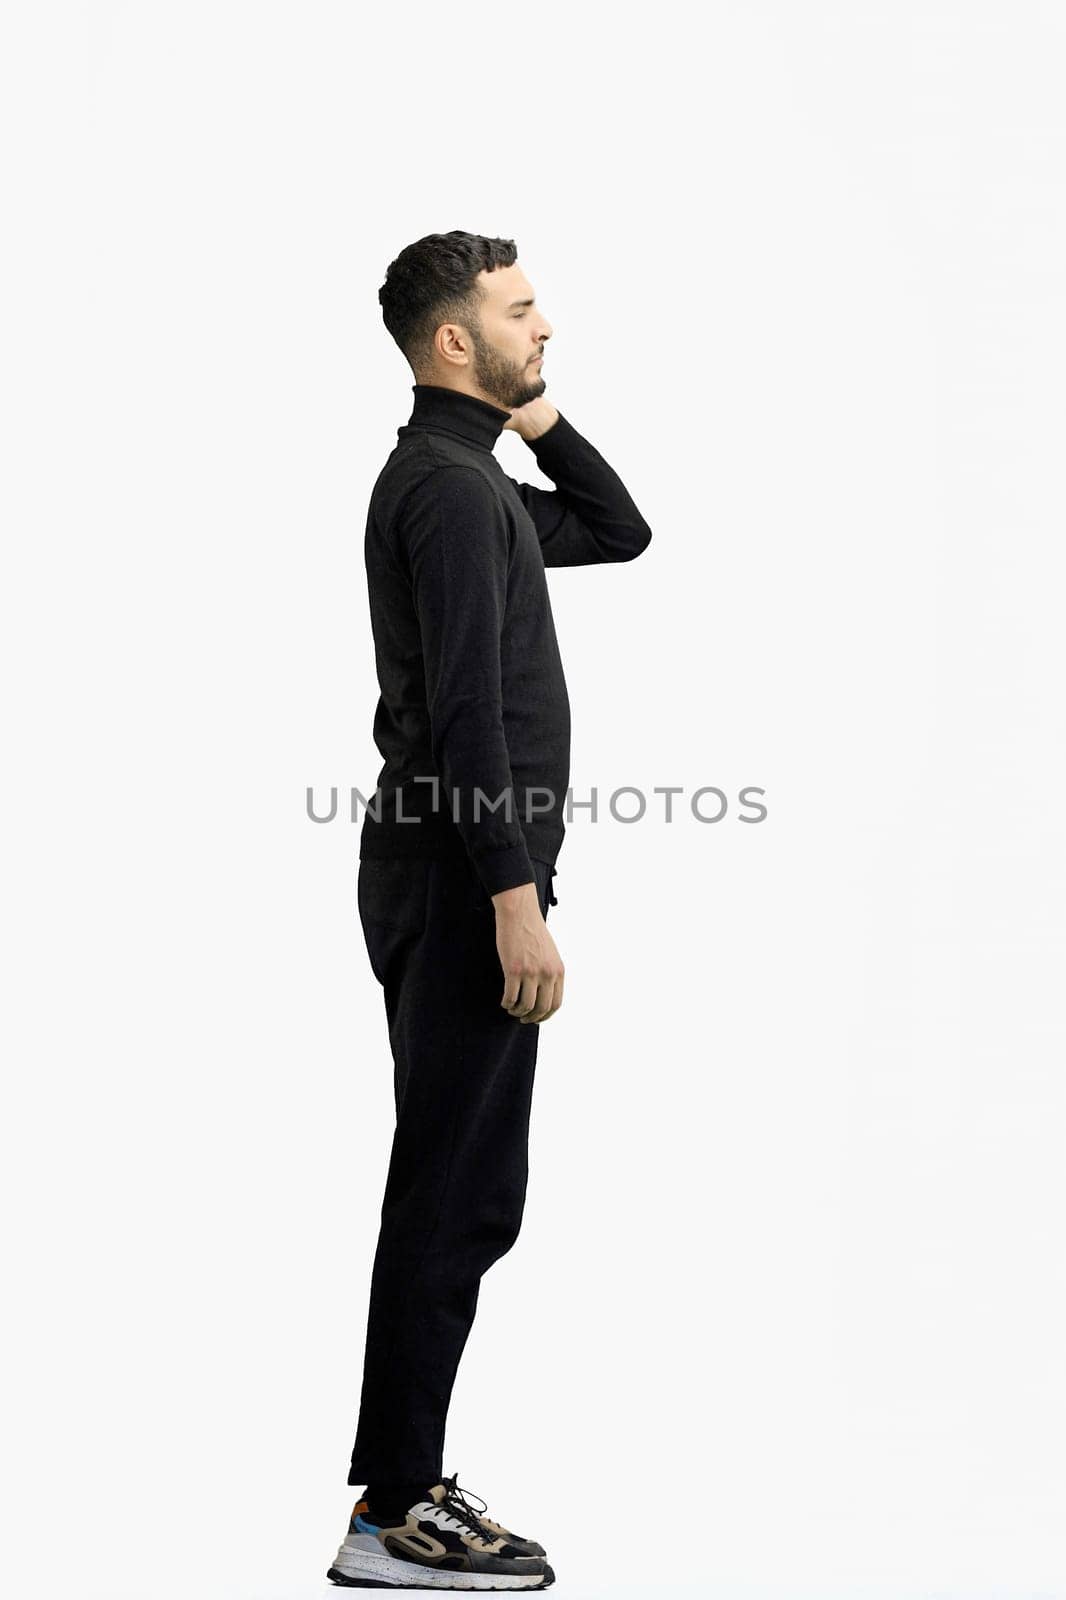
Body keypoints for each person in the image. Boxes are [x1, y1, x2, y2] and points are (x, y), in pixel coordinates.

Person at [327, 230, 652, 1591]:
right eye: (521, 313)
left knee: (466, 1189)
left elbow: (619, 531)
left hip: (448, 874)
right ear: (452, 337)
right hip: (464, 882)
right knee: (453, 1194)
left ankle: (397, 1497)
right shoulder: (454, 497)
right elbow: (465, 716)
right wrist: (516, 902)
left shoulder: (468, 478)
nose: (547, 327)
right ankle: (393, 1513)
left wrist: (543, 418)